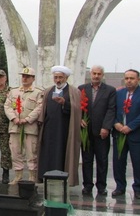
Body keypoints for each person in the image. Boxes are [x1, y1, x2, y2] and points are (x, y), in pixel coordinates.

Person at [37, 65, 81, 186]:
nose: (58, 80)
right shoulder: (48, 91)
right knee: (48, 152)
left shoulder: (73, 91)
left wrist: (64, 103)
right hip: (49, 128)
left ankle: (62, 177)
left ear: (66, 78)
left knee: (61, 153)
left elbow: (77, 110)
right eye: (56, 77)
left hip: (64, 129)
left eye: (60, 77)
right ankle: (46, 176)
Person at [78, 65, 116, 196]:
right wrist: (79, 119)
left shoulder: (110, 90)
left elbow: (111, 109)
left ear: (102, 75)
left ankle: (101, 186)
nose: (96, 76)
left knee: (102, 160)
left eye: (99, 74)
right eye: (94, 73)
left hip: (102, 132)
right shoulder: (82, 89)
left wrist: (106, 127)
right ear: (90, 74)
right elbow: (77, 107)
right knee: (87, 160)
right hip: (86, 132)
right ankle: (87, 185)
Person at [4, 67, 42, 184]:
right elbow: (7, 106)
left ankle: (32, 176)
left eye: (28, 77)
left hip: (29, 128)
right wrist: (14, 118)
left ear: (33, 78)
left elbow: (39, 108)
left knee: (31, 153)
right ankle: (18, 175)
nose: (24, 78)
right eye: (23, 76)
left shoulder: (38, 92)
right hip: (15, 127)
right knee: (15, 152)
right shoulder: (14, 91)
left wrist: (28, 119)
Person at [112, 69, 140, 198]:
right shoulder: (119, 93)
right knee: (119, 162)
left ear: (138, 79)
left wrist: (130, 126)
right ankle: (120, 187)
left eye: (132, 78)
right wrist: (116, 123)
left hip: (136, 134)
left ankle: (138, 188)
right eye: (127, 78)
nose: (129, 80)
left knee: (137, 162)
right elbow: (111, 109)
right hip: (119, 133)